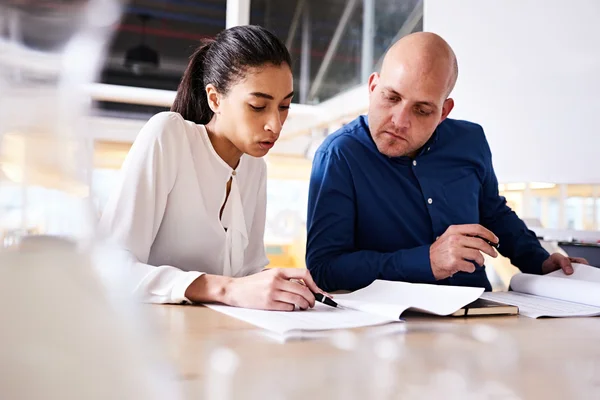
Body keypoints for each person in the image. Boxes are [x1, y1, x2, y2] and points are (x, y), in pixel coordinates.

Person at [305, 32, 587, 292]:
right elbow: (324, 268)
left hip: (481, 314)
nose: (399, 121)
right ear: (373, 86)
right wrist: (426, 261)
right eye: (391, 97)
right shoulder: (339, 155)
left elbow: (493, 215)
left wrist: (540, 262)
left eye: (422, 109)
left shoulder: (471, 140)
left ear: (443, 112)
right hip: (389, 330)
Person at [99, 25, 325, 310]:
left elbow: (246, 275)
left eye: (284, 106)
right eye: (258, 106)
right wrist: (226, 288)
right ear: (215, 98)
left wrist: (277, 285)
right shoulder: (169, 135)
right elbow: (108, 267)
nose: (275, 125)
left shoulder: (256, 168)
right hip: (149, 338)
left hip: (217, 337)